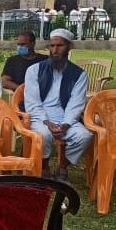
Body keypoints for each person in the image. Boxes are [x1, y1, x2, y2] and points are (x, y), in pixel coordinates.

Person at [23, 28, 92, 181]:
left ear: (69, 47)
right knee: (44, 134)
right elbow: (32, 102)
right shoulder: (34, 70)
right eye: (52, 46)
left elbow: (76, 103)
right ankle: (45, 167)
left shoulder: (78, 74)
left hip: (66, 117)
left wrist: (66, 124)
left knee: (84, 136)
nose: (55, 50)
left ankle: (62, 167)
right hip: (40, 117)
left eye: (59, 46)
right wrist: (47, 122)